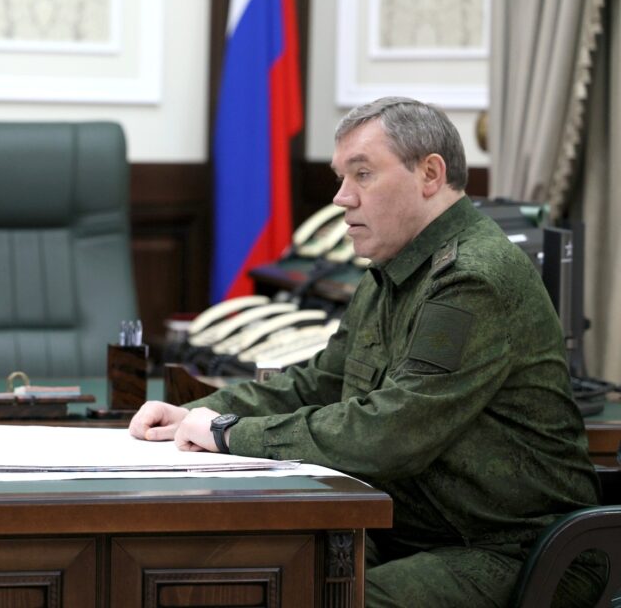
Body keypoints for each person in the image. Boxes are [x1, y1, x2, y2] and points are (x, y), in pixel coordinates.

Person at [130, 97, 604, 606]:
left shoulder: (471, 279)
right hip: (411, 529)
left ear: (429, 174)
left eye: (362, 174)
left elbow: (392, 432)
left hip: (515, 550)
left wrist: (229, 433)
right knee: (258, 574)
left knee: (321, 599)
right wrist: (200, 412)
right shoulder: (393, 272)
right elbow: (321, 383)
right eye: (341, 178)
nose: (341, 198)